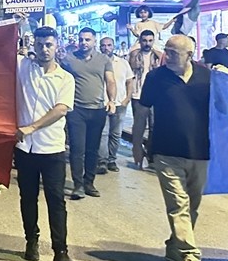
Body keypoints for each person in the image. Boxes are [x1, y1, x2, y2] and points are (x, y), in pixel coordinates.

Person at [138, 34, 212, 261]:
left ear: (189, 55)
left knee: (192, 206)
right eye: (166, 51)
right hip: (166, 152)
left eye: (173, 53)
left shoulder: (208, 77)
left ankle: (174, 248)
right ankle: (192, 257)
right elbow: (142, 111)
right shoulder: (155, 78)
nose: (166, 56)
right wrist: (138, 143)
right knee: (178, 205)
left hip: (201, 152)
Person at [14, 26, 77, 261]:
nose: (44, 49)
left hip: (51, 148)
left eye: (48, 44)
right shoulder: (23, 67)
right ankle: (31, 240)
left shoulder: (65, 78)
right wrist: (21, 23)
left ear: (56, 45)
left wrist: (32, 127)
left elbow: (61, 109)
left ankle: (60, 252)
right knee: (27, 198)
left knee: (56, 201)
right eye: (40, 45)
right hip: (24, 148)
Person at [60, 27, 115, 198]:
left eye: (88, 40)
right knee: (77, 149)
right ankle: (78, 185)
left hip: (97, 110)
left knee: (93, 150)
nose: (84, 43)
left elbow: (110, 80)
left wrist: (111, 100)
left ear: (94, 41)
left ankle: (89, 183)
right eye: (82, 39)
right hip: (76, 110)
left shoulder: (104, 59)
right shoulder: (69, 59)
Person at [127, 30, 164, 169]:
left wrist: (157, 51)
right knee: (138, 127)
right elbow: (129, 72)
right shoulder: (134, 54)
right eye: (144, 40)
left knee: (154, 127)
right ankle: (138, 153)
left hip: (155, 96)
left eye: (150, 40)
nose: (147, 43)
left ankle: (151, 156)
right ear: (140, 41)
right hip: (138, 95)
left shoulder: (159, 56)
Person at [98, 35, 133, 174]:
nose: (106, 48)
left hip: (119, 104)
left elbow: (130, 81)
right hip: (102, 103)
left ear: (113, 46)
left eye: (109, 45)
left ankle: (112, 160)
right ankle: (102, 161)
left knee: (116, 134)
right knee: (103, 133)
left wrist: (127, 99)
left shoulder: (123, 63)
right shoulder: (97, 62)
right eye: (103, 45)